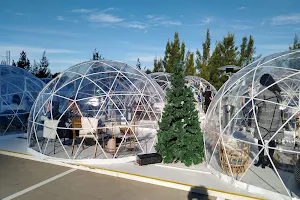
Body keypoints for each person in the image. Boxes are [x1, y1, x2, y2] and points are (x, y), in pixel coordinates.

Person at [254, 74, 283, 169]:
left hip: (264, 118)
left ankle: (261, 159)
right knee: (272, 140)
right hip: (275, 119)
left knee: (261, 139)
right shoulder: (276, 90)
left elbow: (258, 103)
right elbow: (279, 102)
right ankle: (269, 160)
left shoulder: (263, 89)